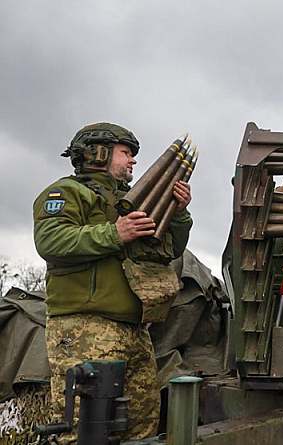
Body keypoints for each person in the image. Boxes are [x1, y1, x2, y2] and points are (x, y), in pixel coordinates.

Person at [32, 122, 192, 441]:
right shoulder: (66, 193)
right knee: (82, 427)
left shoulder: (135, 200)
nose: (133, 160)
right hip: (84, 327)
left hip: (135, 328)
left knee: (141, 424)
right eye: (125, 152)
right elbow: (50, 240)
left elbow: (169, 250)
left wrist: (179, 214)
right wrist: (115, 233)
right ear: (98, 153)